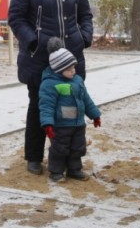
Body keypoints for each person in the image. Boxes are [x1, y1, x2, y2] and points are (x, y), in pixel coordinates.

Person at [8, 0, 94, 176]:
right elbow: (15, 18)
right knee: (39, 107)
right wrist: (34, 42)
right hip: (40, 60)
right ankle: (34, 157)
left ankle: (69, 160)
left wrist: (84, 37)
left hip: (71, 58)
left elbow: (85, 15)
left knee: (71, 110)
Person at [39, 38, 101, 182]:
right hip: (61, 125)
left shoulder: (77, 80)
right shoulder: (50, 84)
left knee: (77, 148)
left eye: (73, 67)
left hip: (78, 124)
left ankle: (74, 169)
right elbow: (46, 105)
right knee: (59, 149)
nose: (73, 71)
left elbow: (86, 99)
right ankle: (56, 171)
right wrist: (47, 124)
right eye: (69, 69)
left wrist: (95, 115)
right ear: (59, 69)